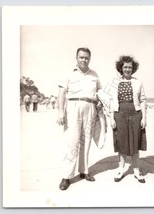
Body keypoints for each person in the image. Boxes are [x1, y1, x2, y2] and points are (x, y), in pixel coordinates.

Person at [57, 47, 102, 190]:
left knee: (86, 141)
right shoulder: (68, 74)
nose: (84, 60)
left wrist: (100, 100)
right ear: (76, 58)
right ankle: (66, 176)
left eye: (86, 57)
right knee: (72, 143)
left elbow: (100, 91)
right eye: (81, 57)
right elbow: (62, 93)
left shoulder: (94, 74)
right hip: (73, 107)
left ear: (90, 59)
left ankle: (84, 171)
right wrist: (60, 112)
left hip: (90, 108)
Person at [109, 55, 147, 183]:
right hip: (119, 115)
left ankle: (136, 170)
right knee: (121, 143)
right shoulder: (114, 83)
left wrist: (144, 118)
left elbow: (142, 100)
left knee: (135, 142)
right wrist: (111, 118)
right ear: (121, 68)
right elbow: (111, 101)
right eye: (125, 67)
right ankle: (121, 169)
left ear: (133, 68)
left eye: (130, 67)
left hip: (135, 115)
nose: (127, 69)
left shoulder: (138, 82)